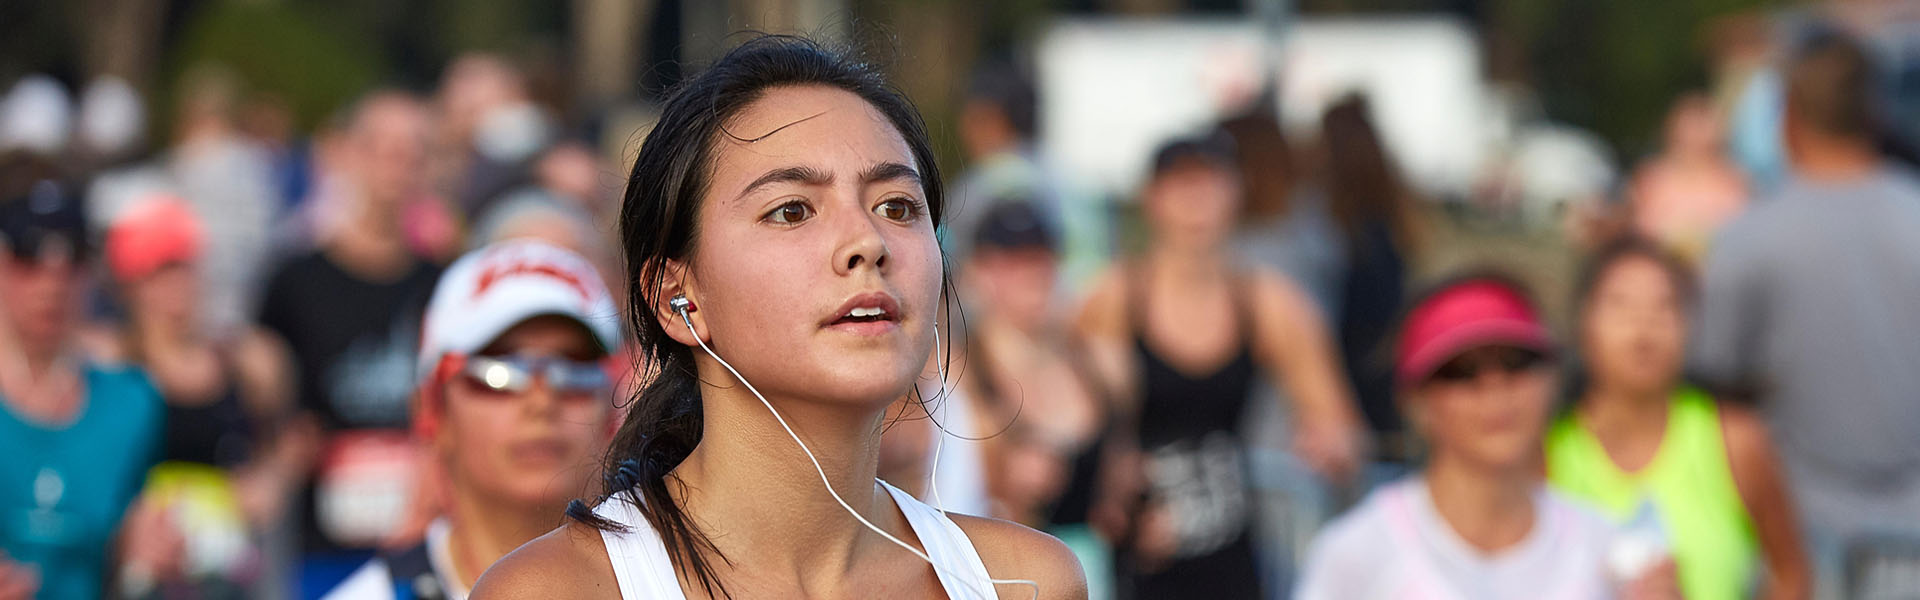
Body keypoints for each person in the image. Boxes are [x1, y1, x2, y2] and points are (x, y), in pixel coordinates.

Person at [470, 35, 1085, 600]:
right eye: (792, 211)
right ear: (676, 297)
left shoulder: (1026, 581)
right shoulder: (556, 590)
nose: (866, 242)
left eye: (898, 206)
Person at [1075, 133, 1364, 598]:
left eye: (1209, 185)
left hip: (1228, 555)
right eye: (1181, 187)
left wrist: (1327, 442)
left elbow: (1342, 429)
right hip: (1131, 557)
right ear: (1152, 198)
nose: (1196, 204)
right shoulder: (1111, 299)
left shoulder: (1268, 304)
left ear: (1236, 193)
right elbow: (1051, 405)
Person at [1690, 29, 1920, 595]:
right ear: (1872, 113)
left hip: (1794, 537)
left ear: (1786, 115)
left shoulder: (1750, 239)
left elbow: (1718, 402)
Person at [1296, 274, 1669, 600]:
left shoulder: (1605, 547)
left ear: (1552, 380)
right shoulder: (1358, 552)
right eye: (1462, 371)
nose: (1495, 390)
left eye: (1517, 363)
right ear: (1416, 401)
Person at [322, 240, 619, 600]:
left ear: (611, 412)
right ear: (431, 410)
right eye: (500, 370)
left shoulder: (680, 582)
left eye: (575, 370)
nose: (542, 401)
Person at [254, 91, 447, 593]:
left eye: (414, 152)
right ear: (349, 154)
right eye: (384, 149)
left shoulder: (447, 284)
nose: (398, 167)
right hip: (322, 546)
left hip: (423, 540)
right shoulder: (294, 280)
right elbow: (262, 401)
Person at [1546, 236, 1810, 599]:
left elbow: (1790, 574)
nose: (1643, 328)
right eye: (1620, 306)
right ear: (1582, 323)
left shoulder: (1735, 440)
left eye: (1664, 307)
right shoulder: (1542, 452)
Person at [101, 196, 316, 597]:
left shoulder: (247, 361)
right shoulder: (111, 363)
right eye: (160, 272)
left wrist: (272, 480)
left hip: (228, 574)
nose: (177, 286)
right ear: (130, 284)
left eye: (184, 267)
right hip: (146, 578)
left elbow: (296, 437)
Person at [0, 171, 170, 600]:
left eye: (73, 259)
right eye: (27, 256)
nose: (51, 282)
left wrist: (146, 566)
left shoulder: (131, 402)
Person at [955, 201, 1119, 598]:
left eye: (1041, 261)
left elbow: (1121, 464)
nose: (1033, 276)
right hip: (1014, 579)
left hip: (1098, 575)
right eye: (1014, 263)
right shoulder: (956, 373)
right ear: (980, 272)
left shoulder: (1094, 356)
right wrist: (1008, 494)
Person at [1626, 93, 1749, 262]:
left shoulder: (1736, 181)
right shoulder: (1650, 178)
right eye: (1691, 125)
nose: (1696, 133)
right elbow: (1635, 232)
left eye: (1701, 122)